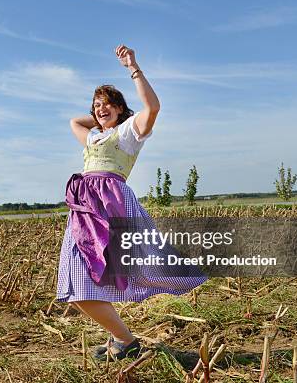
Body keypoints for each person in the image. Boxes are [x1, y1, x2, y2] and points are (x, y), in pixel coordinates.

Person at [56, 44, 207, 361]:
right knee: (75, 280)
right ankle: (123, 339)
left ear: (122, 110)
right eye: (96, 105)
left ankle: (124, 340)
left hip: (110, 204)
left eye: (107, 103)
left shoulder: (128, 132)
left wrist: (132, 72)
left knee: (136, 265)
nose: (100, 108)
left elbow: (152, 108)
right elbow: (75, 122)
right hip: (84, 206)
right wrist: (101, 114)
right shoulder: (94, 135)